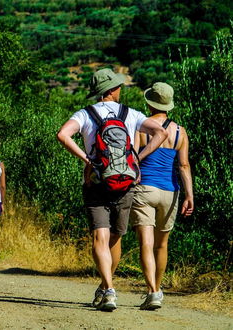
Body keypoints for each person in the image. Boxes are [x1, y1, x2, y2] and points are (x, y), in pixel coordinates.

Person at [56, 68, 168, 311]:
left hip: (97, 181)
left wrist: (87, 159)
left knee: (101, 236)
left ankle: (108, 290)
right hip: (126, 183)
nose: (121, 89)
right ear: (112, 90)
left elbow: (63, 135)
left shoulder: (85, 114)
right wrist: (137, 158)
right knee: (115, 237)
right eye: (119, 86)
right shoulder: (131, 114)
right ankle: (106, 285)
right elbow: (161, 132)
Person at [130, 82, 194, 310]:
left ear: (149, 102)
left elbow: (135, 157)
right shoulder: (180, 131)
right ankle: (157, 289)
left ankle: (152, 292)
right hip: (171, 191)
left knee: (145, 243)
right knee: (161, 244)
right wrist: (190, 196)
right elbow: (184, 165)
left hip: (145, 188)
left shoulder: (142, 128)